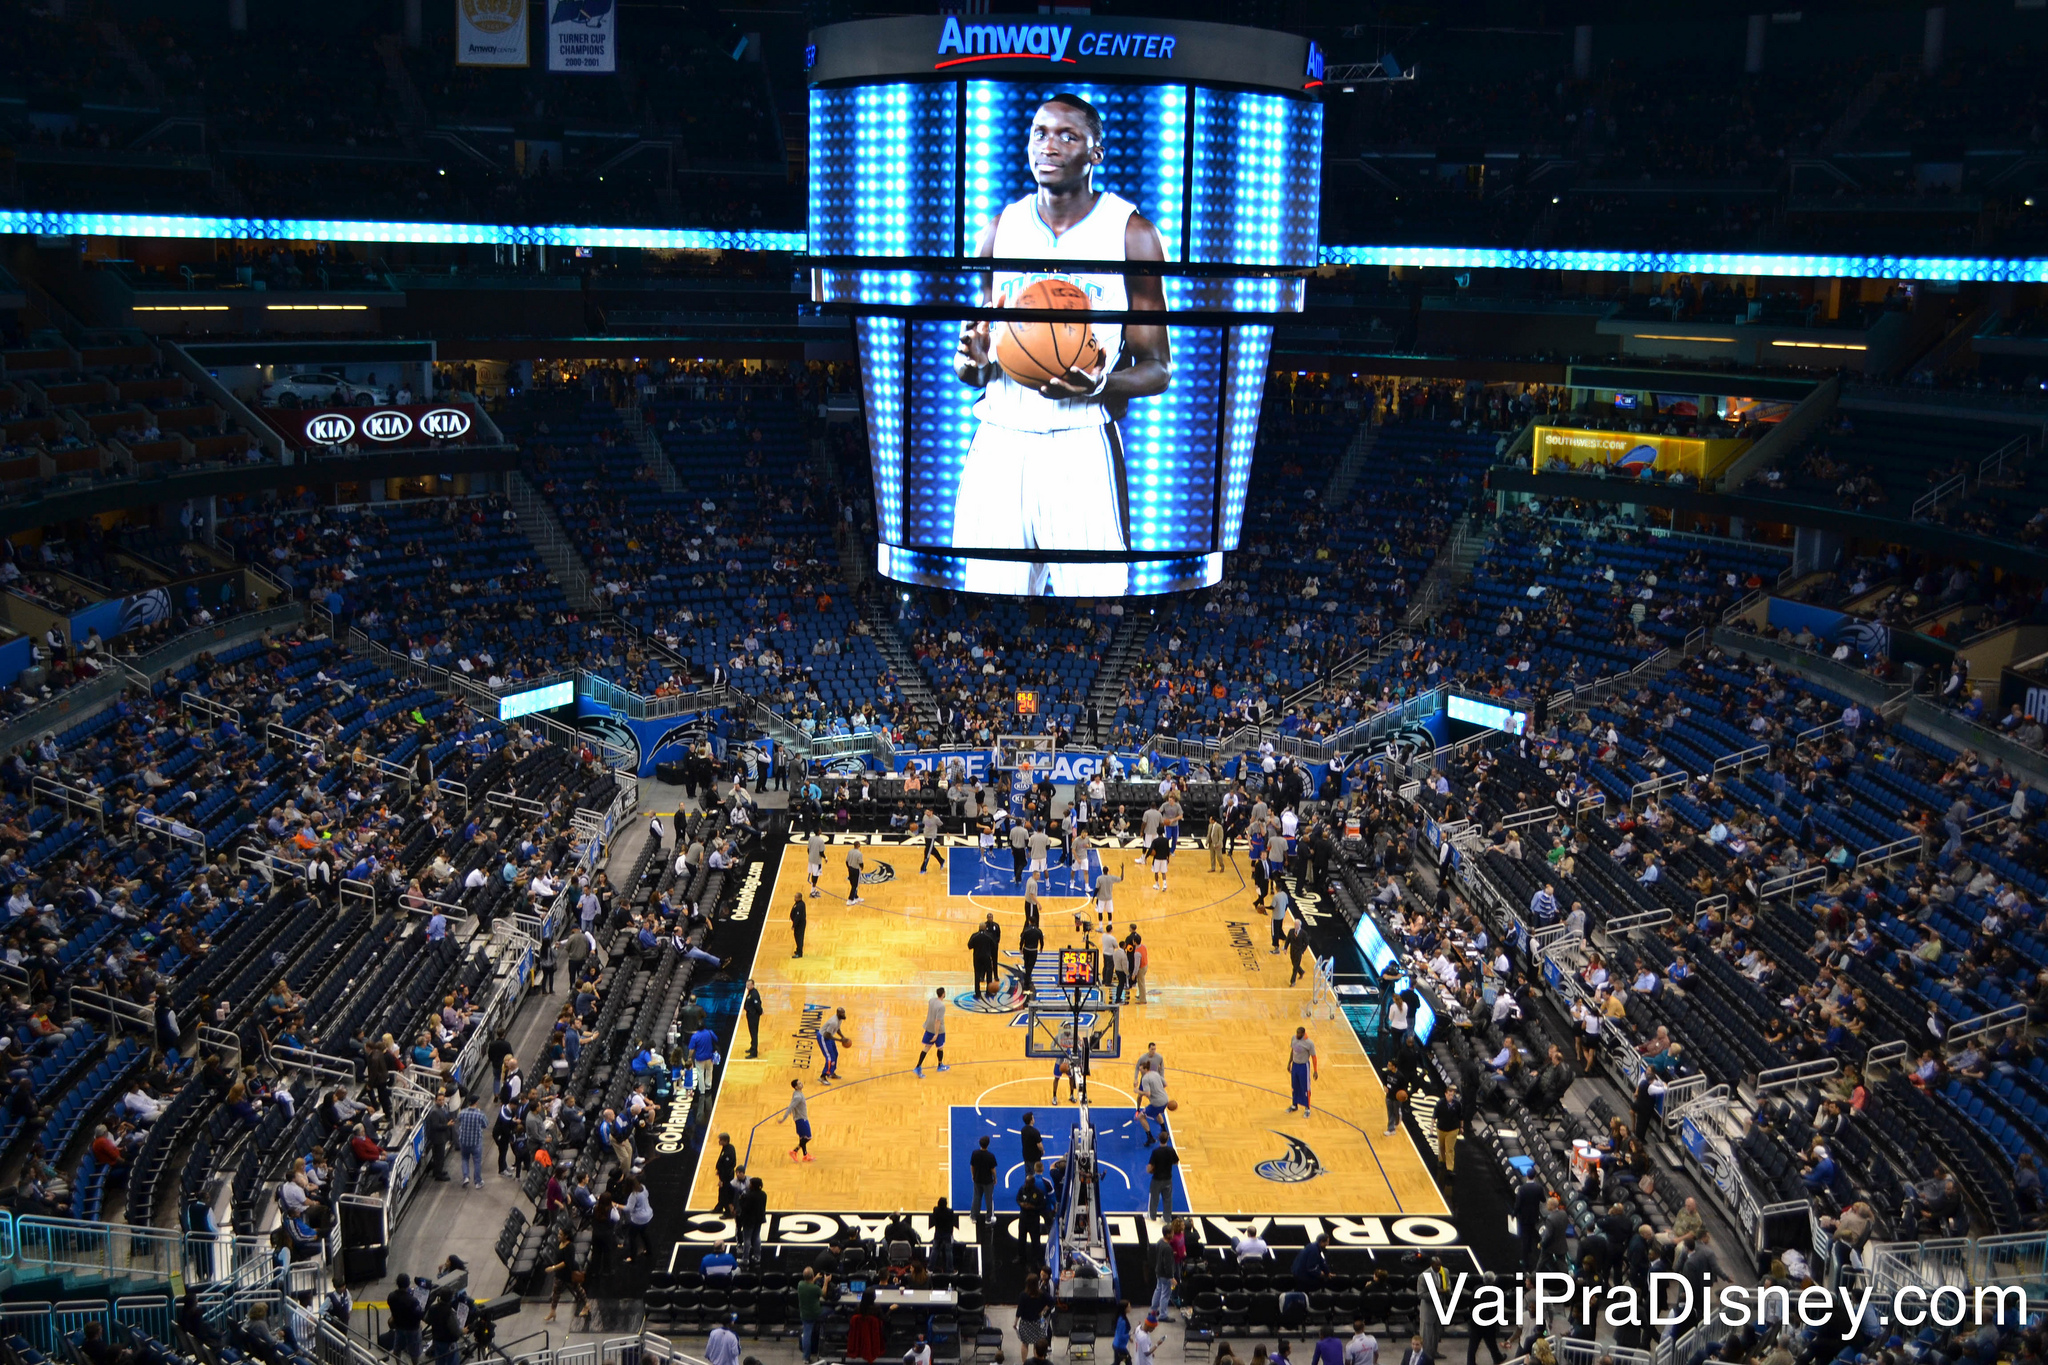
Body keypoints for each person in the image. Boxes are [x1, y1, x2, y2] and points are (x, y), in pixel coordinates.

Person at [798, 1266, 832, 1363]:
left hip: (804, 1314)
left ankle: (806, 1358)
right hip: (816, 1313)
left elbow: (809, 1283)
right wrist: (826, 1281)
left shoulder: (800, 1285)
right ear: (812, 1276)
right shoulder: (815, 1288)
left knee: (806, 1335)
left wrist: (816, 1278)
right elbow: (824, 1294)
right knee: (831, 1310)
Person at [915, 988, 951, 1075]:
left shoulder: (931, 1000)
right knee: (940, 1047)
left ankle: (918, 1066)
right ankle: (940, 1065)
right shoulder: (941, 1006)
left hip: (929, 1027)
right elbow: (937, 1021)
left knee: (927, 1047)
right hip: (938, 1030)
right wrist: (936, 1033)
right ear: (943, 994)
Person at [779, 1079, 814, 1161]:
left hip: (801, 1117)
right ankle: (794, 1151)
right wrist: (784, 1118)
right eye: (799, 1084)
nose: (801, 1084)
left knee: (802, 1138)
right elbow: (791, 1106)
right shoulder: (797, 1097)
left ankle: (805, 1155)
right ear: (796, 1087)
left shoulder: (797, 1093)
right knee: (808, 1137)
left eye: (801, 1082)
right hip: (801, 1119)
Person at [1135, 1065, 1170, 1145]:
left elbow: (1147, 1094)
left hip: (1157, 1103)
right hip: (1165, 1099)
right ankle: (1164, 1130)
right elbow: (1165, 1084)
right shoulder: (1155, 1073)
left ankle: (1150, 1138)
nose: (1140, 1072)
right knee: (1157, 1112)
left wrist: (1138, 1091)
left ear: (1146, 1069)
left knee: (1141, 1116)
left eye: (1141, 1070)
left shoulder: (1145, 1079)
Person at [1288, 1027, 1318, 1115]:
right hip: (1295, 1065)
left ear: (1303, 1034)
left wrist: (1315, 1070)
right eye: (1296, 1033)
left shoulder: (1309, 1043)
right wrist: (1289, 1063)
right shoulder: (1294, 1038)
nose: (1297, 1035)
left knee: (1305, 1087)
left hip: (1303, 1067)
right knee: (1294, 1086)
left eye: (1299, 1033)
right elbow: (1292, 1051)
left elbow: (1314, 1057)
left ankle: (1307, 1108)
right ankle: (1294, 1105)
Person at [1147, 1139, 1179, 1219]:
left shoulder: (1156, 1152)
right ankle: (1167, 1217)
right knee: (1168, 1199)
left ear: (1160, 1140)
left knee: (1154, 1198)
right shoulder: (1171, 1150)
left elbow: (1150, 1167)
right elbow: (1176, 1162)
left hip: (1157, 1179)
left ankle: (1152, 1216)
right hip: (1168, 1179)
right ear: (1167, 1140)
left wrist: (1148, 1170)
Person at [969, 1135, 998, 1222]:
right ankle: (988, 1218)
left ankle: (974, 1216)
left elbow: (972, 1166)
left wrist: (973, 1175)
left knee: (976, 1198)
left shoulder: (975, 1153)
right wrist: (995, 1178)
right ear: (988, 1144)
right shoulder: (990, 1156)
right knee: (989, 1199)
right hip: (988, 1181)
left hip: (977, 1179)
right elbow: (993, 1169)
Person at [817, 1006, 846, 1081]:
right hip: (823, 1037)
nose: (843, 1014)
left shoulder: (840, 1019)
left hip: (829, 1036)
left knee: (835, 1054)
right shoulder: (834, 1021)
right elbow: (827, 1034)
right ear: (838, 1013)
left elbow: (837, 1029)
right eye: (842, 1013)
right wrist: (839, 1040)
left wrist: (843, 1037)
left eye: (844, 1012)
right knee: (830, 1057)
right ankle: (823, 1076)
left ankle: (831, 1072)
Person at [743, 980, 764, 1058]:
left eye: (748, 985)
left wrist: (760, 1011)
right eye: (746, 985)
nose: (747, 986)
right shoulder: (751, 992)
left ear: (752, 985)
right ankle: (752, 1048)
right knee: (752, 1033)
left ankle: (754, 1053)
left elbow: (757, 1004)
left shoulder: (754, 994)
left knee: (754, 1033)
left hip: (753, 1016)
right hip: (750, 1015)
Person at [807, 831, 827, 898]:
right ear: (819, 832)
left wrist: (811, 856)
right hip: (817, 861)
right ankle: (812, 892)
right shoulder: (820, 841)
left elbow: (808, 850)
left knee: (813, 875)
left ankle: (813, 890)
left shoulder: (810, 839)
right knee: (815, 876)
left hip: (811, 859)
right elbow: (821, 852)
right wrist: (825, 858)